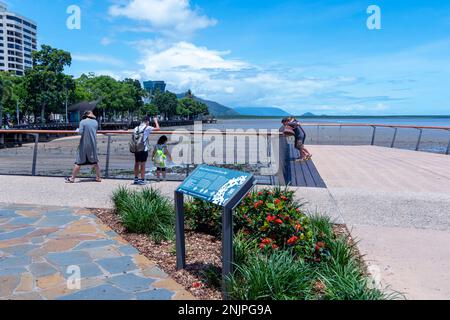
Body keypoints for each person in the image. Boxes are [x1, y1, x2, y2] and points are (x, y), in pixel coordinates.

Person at [65, 111, 102, 183]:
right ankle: (98, 177)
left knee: (78, 162)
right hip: (93, 144)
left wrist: (78, 130)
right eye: (92, 113)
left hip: (84, 144)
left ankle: (72, 178)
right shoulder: (95, 122)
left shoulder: (82, 122)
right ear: (89, 114)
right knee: (95, 162)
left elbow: (80, 132)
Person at [132, 116, 160, 185]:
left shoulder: (136, 128)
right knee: (143, 164)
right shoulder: (147, 127)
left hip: (136, 148)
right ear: (147, 121)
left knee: (136, 163)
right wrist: (156, 121)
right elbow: (158, 128)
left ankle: (136, 179)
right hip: (143, 148)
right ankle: (142, 179)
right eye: (149, 122)